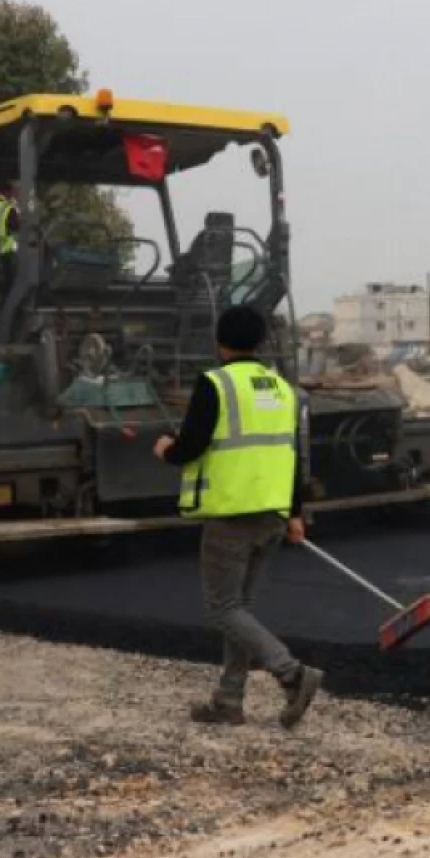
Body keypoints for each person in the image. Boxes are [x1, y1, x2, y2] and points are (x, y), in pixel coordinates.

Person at [155, 305, 324, 729]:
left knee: (222, 608)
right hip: (271, 511)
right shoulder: (284, 390)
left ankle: (291, 673)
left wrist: (165, 451)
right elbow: (292, 456)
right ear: (262, 342)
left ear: (220, 341)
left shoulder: (216, 384)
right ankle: (228, 701)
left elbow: (190, 446)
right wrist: (296, 512)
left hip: (232, 511)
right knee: (240, 607)